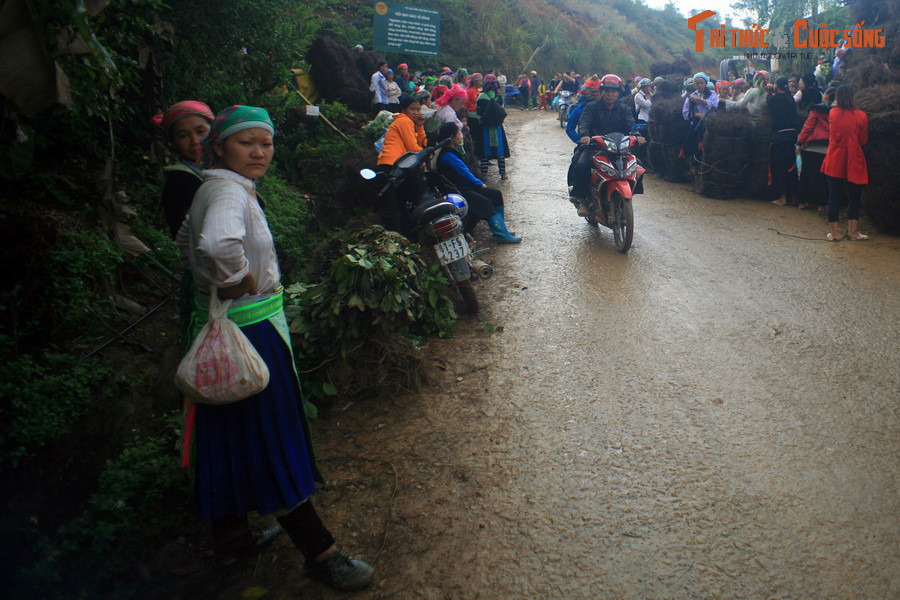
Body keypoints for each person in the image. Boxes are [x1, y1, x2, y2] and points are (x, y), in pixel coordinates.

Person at [175, 105, 374, 591]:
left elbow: (184, 239)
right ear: (220, 145)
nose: (259, 152)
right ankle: (321, 552)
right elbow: (217, 246)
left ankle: (232, 538)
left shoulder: (212, 187)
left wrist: (213, 285)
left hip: (221, 329)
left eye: (265, 143)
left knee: (226, 431)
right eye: (247, 142)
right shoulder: (227, 191)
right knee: (273, 436)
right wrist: (238, 281)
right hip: (251, 332)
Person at [569, 74, 645, 216]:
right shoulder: (591, 107)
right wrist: (585, 135)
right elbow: (584, 123)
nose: (610, 94)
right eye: (607, 91)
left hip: (618, 148)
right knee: (580, 164)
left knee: (638, 165)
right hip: (594, 147)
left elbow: (631, 125)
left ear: (618, 93)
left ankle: (628, 193)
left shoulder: (623, 109)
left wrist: (638, 136)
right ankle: (582, 200)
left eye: (613, 91)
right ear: (601, 92)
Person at [434, 122, 520, 243]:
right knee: (485, 203)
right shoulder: (447, 155)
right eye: (459, 133)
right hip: (458, 191)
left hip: (465, 187)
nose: (462, 136)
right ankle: (501, 235)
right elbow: (464, 172)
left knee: (495, 194)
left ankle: (502, 229)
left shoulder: (451, 151)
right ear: (451, 137)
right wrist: (479, 183)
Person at [154, 100, 215, 239]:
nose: (195, 140)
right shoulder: (181, 180)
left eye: (200, 131)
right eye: (183, 136)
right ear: (173, 141)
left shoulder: (225, 167)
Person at [821, 85, 869, 241]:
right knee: (854, 197)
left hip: (835, 157)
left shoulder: (832, 113)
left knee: (833, 196)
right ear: (853, 96)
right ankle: (853, 232)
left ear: (837, 97)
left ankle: (834, 234)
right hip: (854, 158)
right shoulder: (861, 116)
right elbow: (863, 140)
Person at [376, 95, 427, 233]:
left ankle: (405, 235)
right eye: (412, 109)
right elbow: (414, 147)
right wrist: (425, 157)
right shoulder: (404, 121)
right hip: (392, 165)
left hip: (397, 165)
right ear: (404, 110)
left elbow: (421, 143)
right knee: (395, 206)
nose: (416, 112)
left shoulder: (409, 123)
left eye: (418, 109)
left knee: (400, 203)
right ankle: (399, 237)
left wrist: (420, 126)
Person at [796, 87, 834, 211]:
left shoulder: (816, 109)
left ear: (826, 95)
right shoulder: (837, 111)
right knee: (822, 177)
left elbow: (808, 127)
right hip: (827, 148)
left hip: (811, 147)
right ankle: (821, 205)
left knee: (806, 174)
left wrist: (799, 142)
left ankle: (802, 202)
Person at [767, 76, 799, 206]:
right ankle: (796, 198)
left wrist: (769, 92)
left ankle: (783, 198)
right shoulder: (790, 98)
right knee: (792, 168)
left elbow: (768, 102)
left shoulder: (773, 99)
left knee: (779, 168)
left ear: (776, 86)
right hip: (792, 136)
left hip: (779, 138)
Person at [474, 74, 511, 180]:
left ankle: (484, 175)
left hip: (485, 127)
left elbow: (479, 112)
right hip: (498, 127)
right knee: (500, 151)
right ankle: (503, 174)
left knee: (485, 152)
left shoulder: (481, 97)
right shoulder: (498, 98)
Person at [680, 72, 718, 160]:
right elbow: (685, 113)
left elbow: (714, 105)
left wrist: (700, 100)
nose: (700, 85)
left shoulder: (713, 95)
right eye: (697, 83)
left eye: (702, 83)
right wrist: (696, 115)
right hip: (697, 124)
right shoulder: (691, 97)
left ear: (706, 83)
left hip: (711, 124)